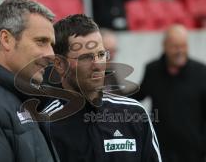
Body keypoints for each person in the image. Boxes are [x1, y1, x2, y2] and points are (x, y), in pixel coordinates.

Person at [40, 14, 162, 162]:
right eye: (85, 58)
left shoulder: (134, 113)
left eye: (101, 54)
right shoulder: (45, 125)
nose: (98, 65)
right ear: (59, 64)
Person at [0, 0, 58, 162]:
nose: (51, 55)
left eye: (51, 45)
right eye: (41, 41)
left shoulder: (19, 100)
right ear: (6, 39)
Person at [132, 24, 206, 162]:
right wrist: (113, 97)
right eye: (175, 46)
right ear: (164, 45)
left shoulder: (201, 72)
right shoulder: (152, 69)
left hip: (192, 153)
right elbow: (139, 95)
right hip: (161, 150)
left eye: (183, 46)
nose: (180, 51)